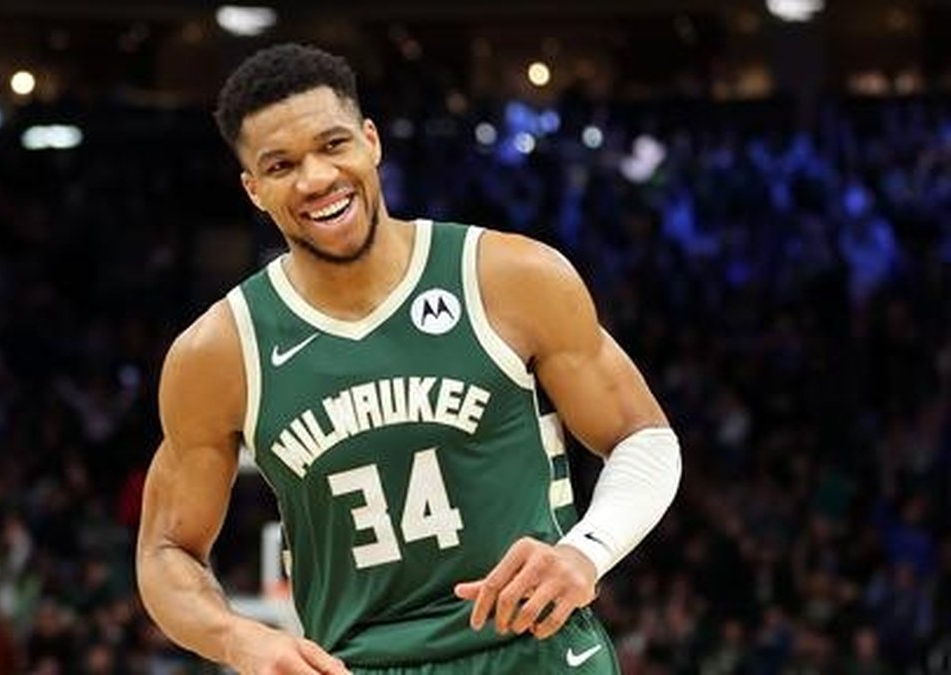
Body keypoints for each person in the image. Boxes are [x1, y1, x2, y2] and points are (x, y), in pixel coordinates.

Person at [136, 43, 682, 675]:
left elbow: (643, 436)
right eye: (281, 165)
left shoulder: (508, 277)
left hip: (540, 652)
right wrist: (239, 639)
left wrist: (587, 550)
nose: (316, 179)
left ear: (371, 141)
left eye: (333, 145)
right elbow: (166, 549)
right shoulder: (219, 352)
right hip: (362, 663)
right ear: (253, 189)